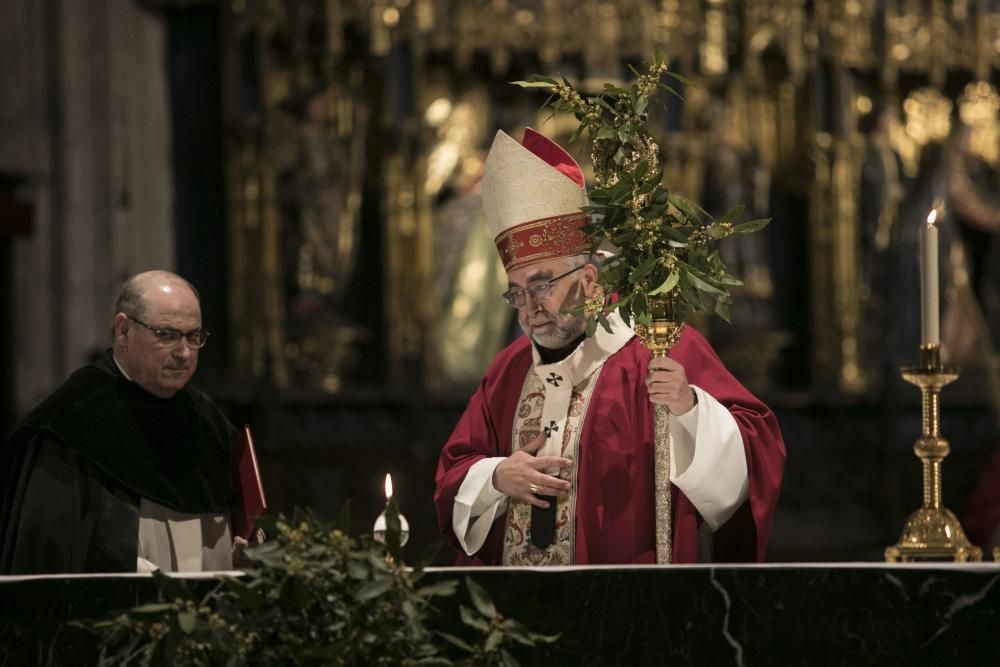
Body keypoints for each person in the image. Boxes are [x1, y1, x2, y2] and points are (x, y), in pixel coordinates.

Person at [433, 128, 786, 565]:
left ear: (587, 280)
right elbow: (454, 474)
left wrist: (690, 409)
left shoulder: (659, 348)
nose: (528, 307)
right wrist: (496, 477)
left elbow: (759, 452)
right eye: (516, 292)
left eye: (541, 285)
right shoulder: (507, 372)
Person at [0, 271, 242, 573]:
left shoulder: (210, 423)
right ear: (123, 331)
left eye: (193, 337)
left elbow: (245, 529)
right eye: (166, 334)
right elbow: (50, 558)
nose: (183, 353)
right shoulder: (70, 421)